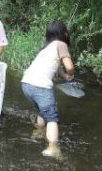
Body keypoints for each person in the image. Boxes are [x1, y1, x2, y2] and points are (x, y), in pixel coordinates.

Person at [21, 20, 74, 158]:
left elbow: (59, 67)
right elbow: (68, 66)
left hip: (26, 84)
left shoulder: (47, 48)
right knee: (52, 117)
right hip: (40, 86)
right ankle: (53, 147)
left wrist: (65, 76)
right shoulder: (61, 44)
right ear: (64, 34)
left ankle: (38, 132)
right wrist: (71, 72)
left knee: (43, 110)